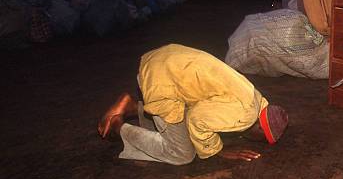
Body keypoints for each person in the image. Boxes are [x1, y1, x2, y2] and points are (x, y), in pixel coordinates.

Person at [97, 44, 289, 165]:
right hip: (161, 81)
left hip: (166, 60)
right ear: (259, 128)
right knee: (183, 154)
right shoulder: (245, 116)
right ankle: (118, 126)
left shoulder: (255, 97)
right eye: (262, 139)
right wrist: (216, 150)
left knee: (190, 123)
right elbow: (196, 119)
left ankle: (133, 106)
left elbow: (201, 108)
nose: (258, 142)